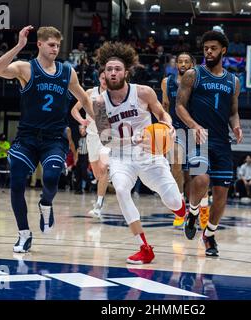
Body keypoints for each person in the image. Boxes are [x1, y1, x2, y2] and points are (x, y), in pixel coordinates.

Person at [71, 41, 186, 264]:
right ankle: (144, 247)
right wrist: (130, 138)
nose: (113, 73)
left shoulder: (144, 93)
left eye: (117, 69)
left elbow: (163, 115)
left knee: (172, 200)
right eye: (109, 69)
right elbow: (105, 137)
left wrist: (169, 127)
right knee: (122, 189)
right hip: (120, 155)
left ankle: (184, 212)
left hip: (149, 154)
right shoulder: (99, 103)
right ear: (103, 73)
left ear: (127, 72)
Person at [0, 25, 93, 253]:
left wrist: (103, 126)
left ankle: (46, 204)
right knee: (16, 184)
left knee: (50, 179)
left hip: (54, 138)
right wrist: (18, 45)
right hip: (26, 138)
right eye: (51, 45)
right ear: (39, 44)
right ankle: (24, 234)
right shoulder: (25, 68)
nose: (55, 49)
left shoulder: (67, 72)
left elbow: (85, 99)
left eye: (57, 45)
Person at [176, 30, 243, 257]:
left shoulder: (233, 81)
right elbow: (179, 107)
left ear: (223, 50)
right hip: (198, 138)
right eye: (205, 48)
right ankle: (193, 212)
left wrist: (237, 126)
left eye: (213, 48)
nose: (208, 52)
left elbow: (233, 112)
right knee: (201, 178)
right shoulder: (193, 75)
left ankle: (209, 235)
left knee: (221, 193)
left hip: (222, 142)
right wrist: (194, 126)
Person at [161, 52, 194, 227]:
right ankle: (180, 208)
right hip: (175, 129)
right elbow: (164, 106)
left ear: (191, 65)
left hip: (193, 129)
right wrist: (165, 126)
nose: (183, 64)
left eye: (186, 62)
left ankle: (193, 208)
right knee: (176, 164)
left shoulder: (196, 82)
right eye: (180, 61)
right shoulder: (167, 82)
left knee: (191, 174)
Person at [82, 67, 109, 218]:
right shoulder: (90, 93)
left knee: (103, 168)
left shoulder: (114, 95)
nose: (105, 81)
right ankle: (106, 182)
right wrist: (82, 121)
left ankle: (98, 206)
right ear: (99, 78)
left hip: (106, 137)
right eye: (103, 78)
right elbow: (74, 110)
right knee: (98, 174)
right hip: (91, 136)